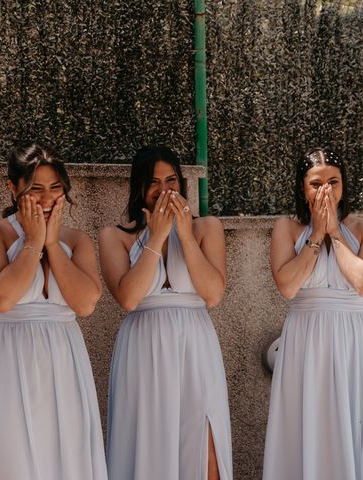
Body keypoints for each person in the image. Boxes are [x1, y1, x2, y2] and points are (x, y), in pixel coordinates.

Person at [99, 146, 231, 480]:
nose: (165, 189)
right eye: (154, 182)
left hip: (196, 348)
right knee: (148, 450)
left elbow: (213, 293)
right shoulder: (114, 237)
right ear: (139, 188)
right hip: (144, 350)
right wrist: (155, 237)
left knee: (206, 455)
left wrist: (184, 235)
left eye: (171, 179)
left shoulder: (207, 228)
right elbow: (128, 298)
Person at [262, 147, 363, 480]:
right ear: (303, 188)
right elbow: (288, 286)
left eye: (333, 181)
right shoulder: (286, 229)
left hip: (351, 338)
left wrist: (333, 232)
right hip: (305, 337)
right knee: (305, 424)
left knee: (353, 420)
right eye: (316, 184)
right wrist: (316, 234)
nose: (326, 191)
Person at [0, 144, 107, 480]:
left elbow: (85, 304)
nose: (47, 199)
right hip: (10, 360)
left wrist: (53, 244)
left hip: (64, 360)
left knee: (67, 457)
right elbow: (1, 299)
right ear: (13, 189)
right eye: (36, 189)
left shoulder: (77, 240)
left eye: (56, 188)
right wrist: (32, 242)